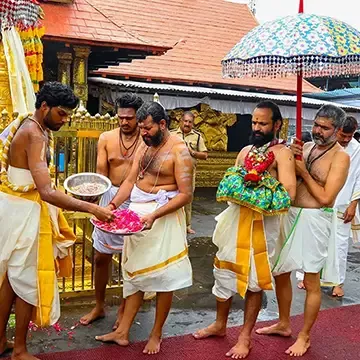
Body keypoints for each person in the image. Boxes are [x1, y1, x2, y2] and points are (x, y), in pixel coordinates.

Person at [0, 82, 114, 360]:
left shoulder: (30, 125)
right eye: (62, 114)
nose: (66, 120)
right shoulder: (34, 134)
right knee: (28, 280)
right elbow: (47, 191)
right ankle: (20, 350)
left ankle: (2, 340)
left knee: (10, 281)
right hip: (25, 214)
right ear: (44, 107)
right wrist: (92, 209)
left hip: (14, 208)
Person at [193, 101, 297, 359]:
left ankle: (245, 336)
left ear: (277, 125)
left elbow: (289, 193)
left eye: (263, 123)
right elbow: (231, 181)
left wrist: (257, 186)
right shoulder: (245, 150)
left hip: (263, 226)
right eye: (254, 123)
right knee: (223, 269)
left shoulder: (283, 153)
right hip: (235, 220)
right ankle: (219, 325)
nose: (257, 128)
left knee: (253, 279)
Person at [95, 101, 193, 354]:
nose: (143, 133)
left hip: (163, 220)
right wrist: (114, 205)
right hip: (137, 218)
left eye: (147, 128)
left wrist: (154, 216)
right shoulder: (145, 146)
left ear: (162, 124)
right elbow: (130, 180)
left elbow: (185, 195)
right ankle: (122, 331)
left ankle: (156, 334)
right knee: (134, 274)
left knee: (163, 278)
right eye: (141, 129)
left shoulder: (180, 152)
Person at [257, 104, 350, 357]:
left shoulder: (341, 157)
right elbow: (290, 182)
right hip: (289, 214)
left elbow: (326, 197)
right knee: (280, 272)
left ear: (337, 130)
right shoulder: (306, 148)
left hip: (314, 219)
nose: (317, 131)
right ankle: (284, 323)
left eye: (324, 127)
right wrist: (291, 159)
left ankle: (305, 336)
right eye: (316, 125)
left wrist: (303, 172)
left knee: (311, 281)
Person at [80, 93, 144, 327]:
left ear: (138, 117)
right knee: (100, 258)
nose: (125, 122)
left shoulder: (146, 140)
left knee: (133, 260)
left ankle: (125, 312)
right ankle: (99, 306)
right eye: (121, 118)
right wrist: (92, 196)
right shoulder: (106, 138)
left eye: (130, 118)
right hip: (109, 199)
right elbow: (101, 175)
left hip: (137, 200)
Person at [297, 115, 360, 297]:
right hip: (318, 201)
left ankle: (337, 282)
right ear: (336, 131)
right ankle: (306, 276)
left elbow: (358, 179)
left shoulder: (357, 150)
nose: (347, 140)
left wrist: (353, 204)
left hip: (343, 203)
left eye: (351, 136)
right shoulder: (318, 148)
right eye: (343, 135)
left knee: (339, 244)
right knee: (311, 241)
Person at [170, 111, 208, 234]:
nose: (187, 124)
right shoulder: (171, 135)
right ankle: (171, 225)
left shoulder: (197, 137)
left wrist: (193, 152)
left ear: (193, 123)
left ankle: (187, 226)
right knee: (171, 197)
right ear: (180, 121)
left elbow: (205, 155)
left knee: (187, 199)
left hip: (188, 174)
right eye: (185, 121)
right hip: (171, 172)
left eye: (190, 122)